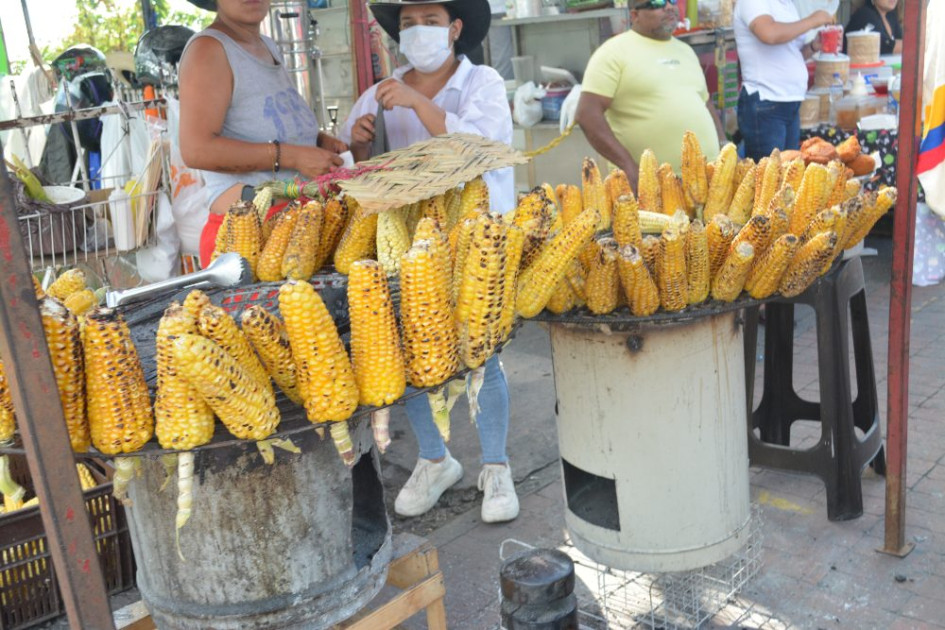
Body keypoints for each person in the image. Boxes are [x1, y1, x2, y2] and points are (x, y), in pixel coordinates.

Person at [339, 0, 519, 524]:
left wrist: (419, 104)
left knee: (482, 353)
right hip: (408, 250)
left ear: (455, 28)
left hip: (474, 244)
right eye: (409, 22)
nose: (418, 31)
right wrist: (358, 142)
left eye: (431, 21)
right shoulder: (380, 93)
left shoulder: (481, 82)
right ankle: (436, 460)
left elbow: (484, 149)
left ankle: (496, 466)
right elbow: (354, 164)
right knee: (411, 355)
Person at [178, 0, 348, 267]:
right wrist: (291, 157)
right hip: (248, 236)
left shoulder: (267, 46)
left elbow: (267, 123)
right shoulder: (208, 50)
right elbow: (196, 150)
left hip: (297, 228)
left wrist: (317, 141)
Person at [574, 0, 726, 191]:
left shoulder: (685, 51)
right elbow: (587, 114)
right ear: (635, 15)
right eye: (657, 3)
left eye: (672, 1)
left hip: (707, 180)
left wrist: (724, 145)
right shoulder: (612, 52)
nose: (669, 7)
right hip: (650, 187)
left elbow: (706, 104)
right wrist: (628, 166)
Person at [733, 0, 834, 161]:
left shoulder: (787, 5)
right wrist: (812, 21)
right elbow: (769, 34)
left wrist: (814, 46)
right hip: (765, 102)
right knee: (770, 179)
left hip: (789, 103)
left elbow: (789, 55)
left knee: (789, 176)